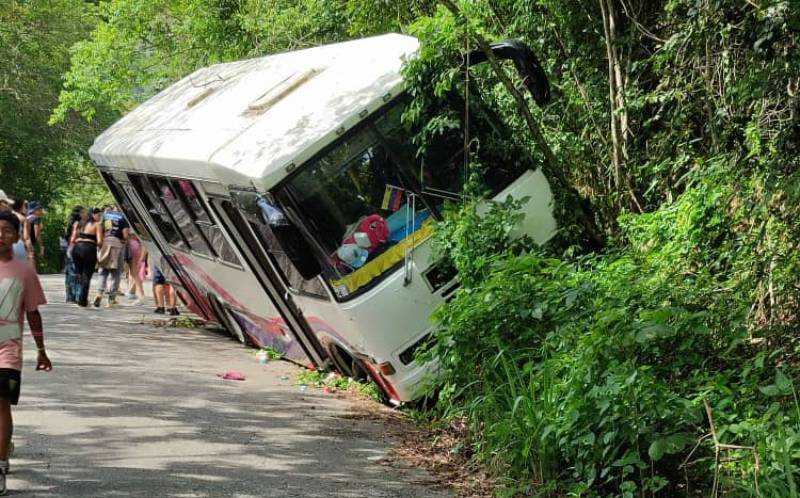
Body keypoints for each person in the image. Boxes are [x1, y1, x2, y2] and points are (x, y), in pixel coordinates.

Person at [0, 210, 52, 495]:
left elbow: (32, 313)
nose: (1, 235)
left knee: (1, 404)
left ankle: (0, 462)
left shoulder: (24, 272)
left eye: (7, 230)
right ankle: (4, 443)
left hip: (8, 350)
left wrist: (42, 350)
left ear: (16, 235)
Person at [94, 205, 129, 307]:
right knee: (115, 273)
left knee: (103, 271)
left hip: (104, 243)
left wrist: (100, 242)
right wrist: (124, 240)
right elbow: (126, 235)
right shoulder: (123, 218)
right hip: (117, 244)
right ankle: (111, 298)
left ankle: (99, 293)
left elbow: (99, 227)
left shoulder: (104, 215)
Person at [70, 208, 103, 308]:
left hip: (77, 249)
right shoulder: (97, 225)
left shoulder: (78, 224)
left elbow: (72, 239)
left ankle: (78, 296)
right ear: (93, 215)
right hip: (89, 249)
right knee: (87, 275)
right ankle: (82, 301)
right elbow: (100, 241)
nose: (100, 217)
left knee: (79, 274)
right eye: (99, 215)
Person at [63, 206, 85, 303]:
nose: (86, 214)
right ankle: (77, 296)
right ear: (79, 214)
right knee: (76, 272)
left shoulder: (72, 223)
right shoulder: (78, 223)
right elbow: (73, 236)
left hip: (70, 247)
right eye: (84, 212)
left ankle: (70, 296)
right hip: (76, 247)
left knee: (70, 272)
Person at [124, 233, 145, 304]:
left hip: (131, 246)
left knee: (134, 273)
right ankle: (132, 292)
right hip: (135, 245)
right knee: (133, 273)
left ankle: (140, 295)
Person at [25, 202, 44, 268]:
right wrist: (39, 246)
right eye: (40, 209)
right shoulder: (36, 218)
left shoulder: (26, 217)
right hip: (28, 242)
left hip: (21, 241)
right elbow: (37, 233)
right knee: (30, 261)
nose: (42, 211)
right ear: (35, 210)